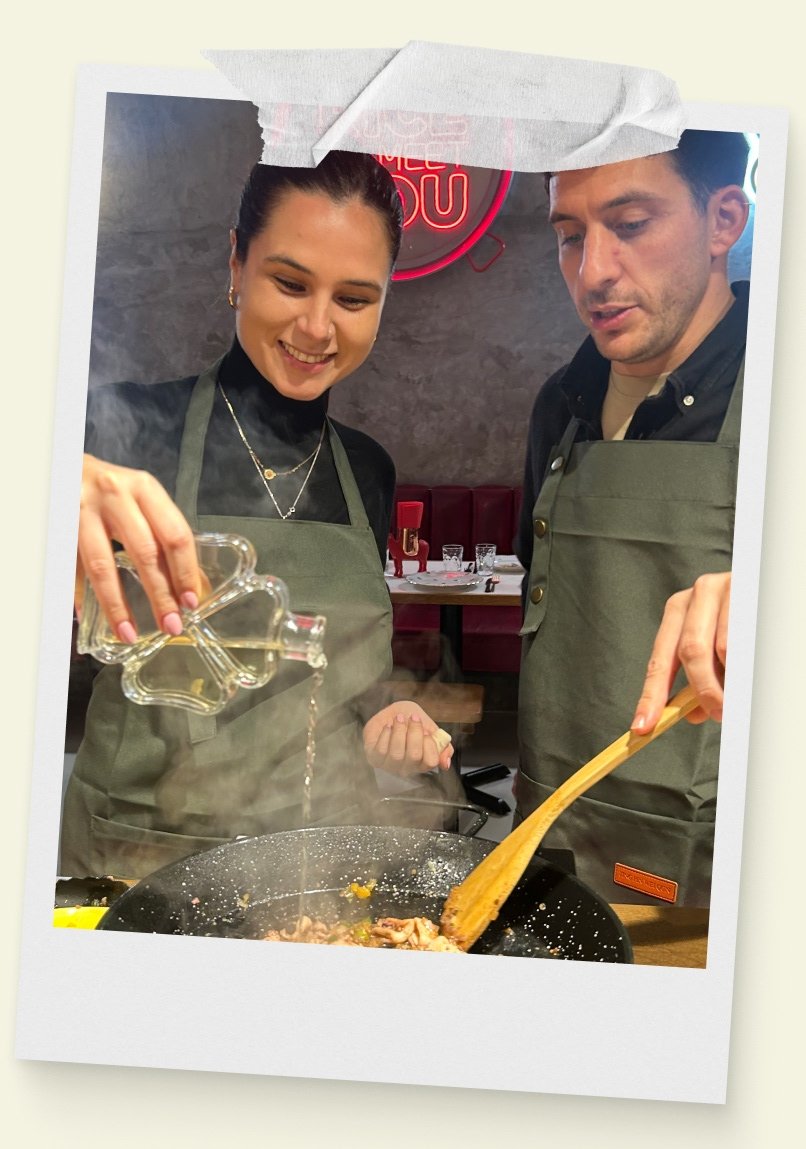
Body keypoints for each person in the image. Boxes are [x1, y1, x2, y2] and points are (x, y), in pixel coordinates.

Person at [61, 151, 452, 879]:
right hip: (138, 849)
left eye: (354, 299)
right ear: (237, 263)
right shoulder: (125, 429)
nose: (317, 326)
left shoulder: (368, 468)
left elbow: (347, 677)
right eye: (290, 282)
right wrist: (46, 484)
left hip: (318, 857)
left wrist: (389, 717)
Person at [515, 130, 751, 906]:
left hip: (706, 873)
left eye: (632, 224)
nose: (594, 272)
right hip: (545, 836)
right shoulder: (562, 404)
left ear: (724, 221)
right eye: (570, 237)